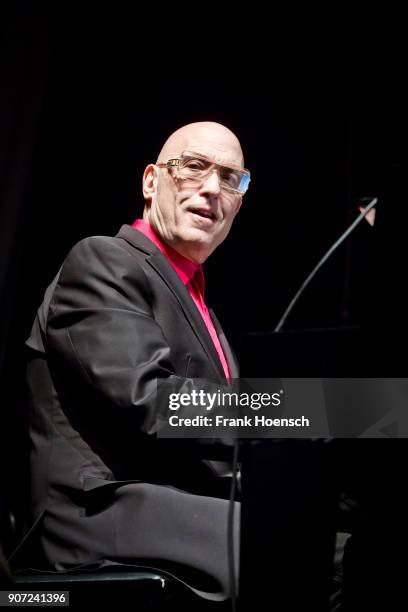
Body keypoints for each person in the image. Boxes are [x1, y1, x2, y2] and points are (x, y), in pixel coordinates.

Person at [22, 121, 249, 599]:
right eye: (194, 168)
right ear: (151, 182)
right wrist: (317, 409)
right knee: (287, 549)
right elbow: (154, 400)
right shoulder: (102, 260)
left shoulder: (205, 307)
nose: (212, 189)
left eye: (230, 179)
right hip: (100, 512)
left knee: (343, 542)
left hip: (183, 504)